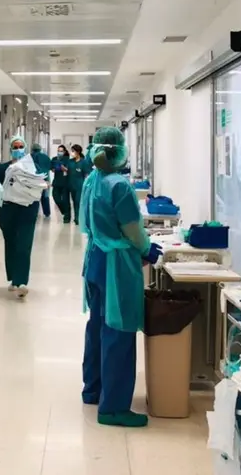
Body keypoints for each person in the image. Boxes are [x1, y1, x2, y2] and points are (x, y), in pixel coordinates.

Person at [79, 127, 163, 428]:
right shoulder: (120, 186)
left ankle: (93, 390)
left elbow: (86, 224)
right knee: (119, 330)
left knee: (98, 326)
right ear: (119, 150)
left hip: (96, 260)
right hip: (117, 265)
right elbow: (131, 229)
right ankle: (113, 408)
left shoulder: (92, 180)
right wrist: (146, 248)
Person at [0, 136, 44, 298]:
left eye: (21, 146)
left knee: (24, 244)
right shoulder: (3, 168)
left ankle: (22, 282)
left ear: (25, 148)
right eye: (15, 146)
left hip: (27, 210)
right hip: (8, 210)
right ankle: (13, 278)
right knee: (11, 243)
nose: (18, 149)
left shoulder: (33, 167)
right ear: (11, 149)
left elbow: (41, 184)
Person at [67, 144, 91, 225]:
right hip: (71, 184)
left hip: (79, 185)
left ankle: (78, 218)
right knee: (74, 201)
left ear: (78, 152)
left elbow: (87, 174)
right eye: (71, 151)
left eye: (73, 151)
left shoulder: (83, 162)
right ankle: (76, 217)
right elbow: (67, 171)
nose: (72, 152)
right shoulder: (70, 161)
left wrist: (87, 185)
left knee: (78, 201)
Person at [51, 145, 72, 223]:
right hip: (56, 182)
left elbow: (68, 169)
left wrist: (64, 168)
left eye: (61, 151)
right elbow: (52, 169)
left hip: (65, 183)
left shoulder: (68, 160)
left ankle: (67, 217)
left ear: (64, 151)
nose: (59, 152)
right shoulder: (54, 159)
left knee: (66, 200)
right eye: (58, 151)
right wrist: (55, 168)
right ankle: (64, 211)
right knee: (56, 198)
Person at [30, 143, 52, 219]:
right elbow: (50, 167)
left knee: (34, 197)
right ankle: (47, 213)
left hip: (33, 179)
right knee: (45, 197)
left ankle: (34, 213)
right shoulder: (46, 157)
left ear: (32, 149)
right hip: (45, 179)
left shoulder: (30, 157)